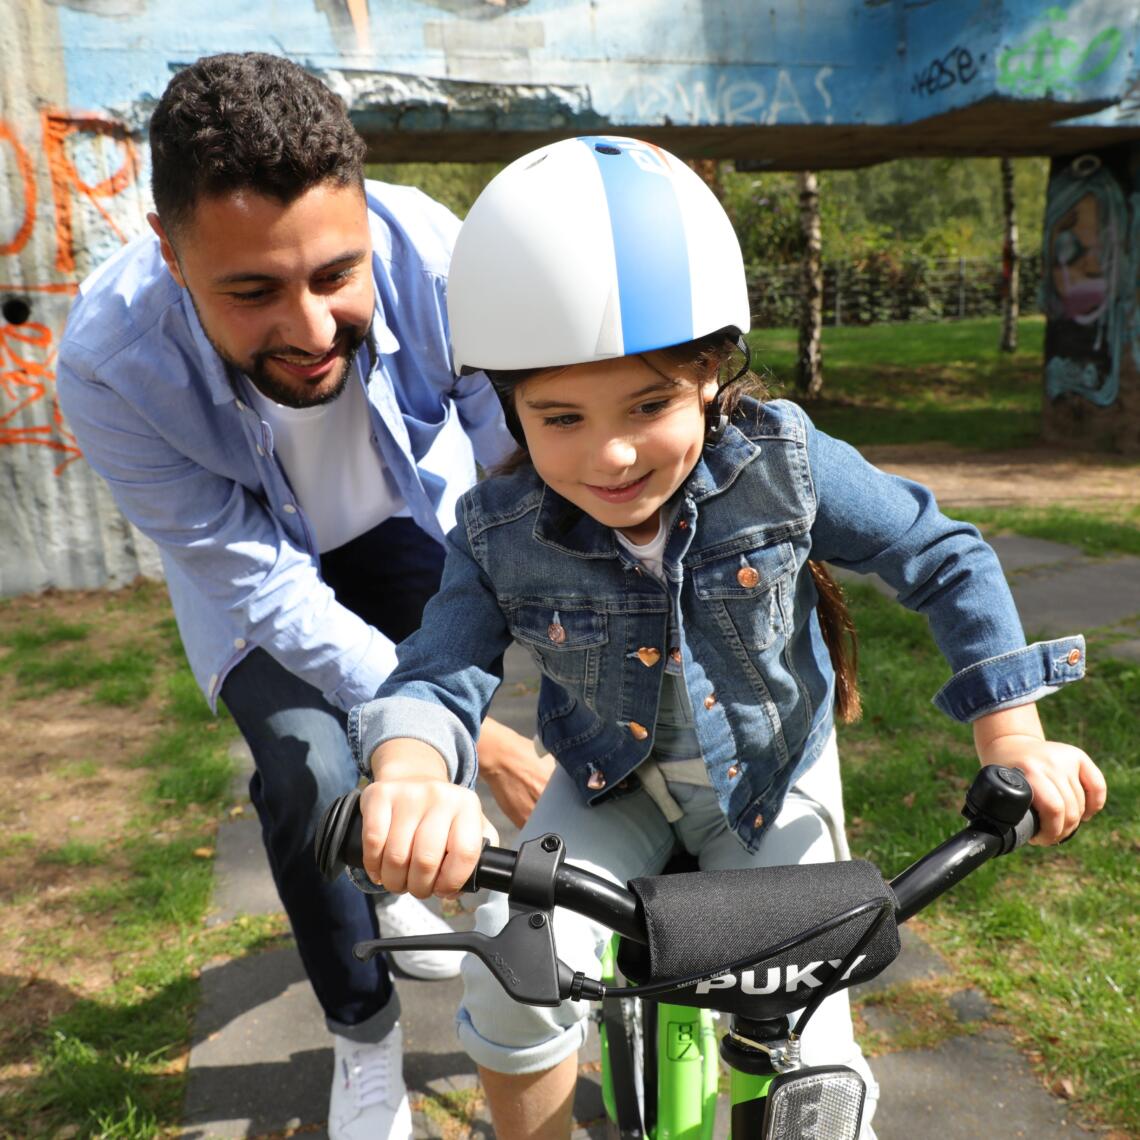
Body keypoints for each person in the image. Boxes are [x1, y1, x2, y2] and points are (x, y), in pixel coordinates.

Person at [342, 136, 1108, 1140]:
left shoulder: (784, 464)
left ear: (709, 372)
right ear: (507, 406)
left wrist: (1012, 740)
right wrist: (407, 775)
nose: (610, 455)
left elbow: (940, 553)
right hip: (605, 788)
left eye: (650, 403)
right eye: (559, 416)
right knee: (514, 970)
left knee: (809, 1036)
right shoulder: (498, 531)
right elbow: (440, 667)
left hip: (770, 785)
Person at [55, 52, 553, 1140]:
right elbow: (261, 585)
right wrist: (486, 747)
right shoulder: (105, 364)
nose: (314, 330)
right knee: (310, 770)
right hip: (258, 575)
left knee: (419, 739)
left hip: (405, 532)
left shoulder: (437, 253)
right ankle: (363, 1034)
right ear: (168, 247)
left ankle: (390, 868)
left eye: (336, 274)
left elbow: (514, 465)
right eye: (252, 291)